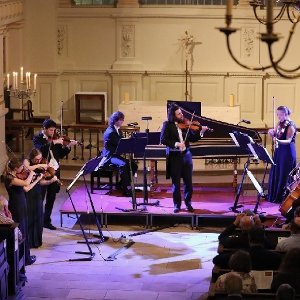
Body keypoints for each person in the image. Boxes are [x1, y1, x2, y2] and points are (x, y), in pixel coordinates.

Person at [160, 103, 208, 213]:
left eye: (181, 113)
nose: (182, 115)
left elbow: (192, 138)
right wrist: (176, 144)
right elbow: (163, 139)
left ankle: (188, 203)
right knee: (176, 183)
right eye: (179, 114)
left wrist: (201, 132)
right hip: (174, 155)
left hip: (186, 155)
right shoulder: (167, 125)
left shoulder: (185, 124)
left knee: (188, 182)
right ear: (173, 115)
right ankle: (177, 205)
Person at [33, 118, 77, 230]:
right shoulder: (37, 138)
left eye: (54, 130)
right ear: (44, 129)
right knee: (40, 198)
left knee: (51, 197)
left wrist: (67, 147)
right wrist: (53, 142)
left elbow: (60, 154)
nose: (53, 133)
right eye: (51, 130)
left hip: (54, 171)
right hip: (43, 171)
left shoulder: (55, 138)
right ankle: (37, 221)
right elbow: (40, 150)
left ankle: (46, 221)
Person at [2, 157, 43, 265]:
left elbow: (26, 188)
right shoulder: (10, 178)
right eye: (21, 167)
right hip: (17, 206)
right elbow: (25, 183)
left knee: (24, 231)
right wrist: (31, 174)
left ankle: (26, 257)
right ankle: (23, 259)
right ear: (16, 168)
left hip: (22, 204)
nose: (23, 169)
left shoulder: (15, 176)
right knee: (21, 231)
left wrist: (37, 180)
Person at [23, 148, 59, 248]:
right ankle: (29, 242)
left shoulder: (43, 163)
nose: (39, 160)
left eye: (40, 159)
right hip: (29, 193)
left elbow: (41, 182)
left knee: (38, 217)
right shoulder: (27, 161)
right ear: (32, 157)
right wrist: (39, 165)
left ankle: (36, 241)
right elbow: (27, 168)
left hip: (37, 192)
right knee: (29, 216)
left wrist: (51, 181)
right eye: (37, 159)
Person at [100, 111, 138, 196]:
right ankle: (125, 189)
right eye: (121, 120)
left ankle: (121, 184)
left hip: (115, 155)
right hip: (109, 157)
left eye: (122, 120)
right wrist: (129, 140)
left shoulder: (117, 130)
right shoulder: (111, 132)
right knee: (123, 165)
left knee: (133, 165)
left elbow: (121, 141)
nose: (122, 121)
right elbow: (120, 143)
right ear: (115, 120)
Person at [268, 106, 296, 204]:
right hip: (279, 151)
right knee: (277, 172)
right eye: (277, 114)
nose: (278, 116)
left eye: (280, 114)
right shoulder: (279, 124)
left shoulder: (291, 125)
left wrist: (278, 140)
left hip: (287, 152)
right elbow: (276, 135)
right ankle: (275, 195)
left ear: (285, 114)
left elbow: (288, 140)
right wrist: (271, 133)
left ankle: (283, 198)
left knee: (284, 174)